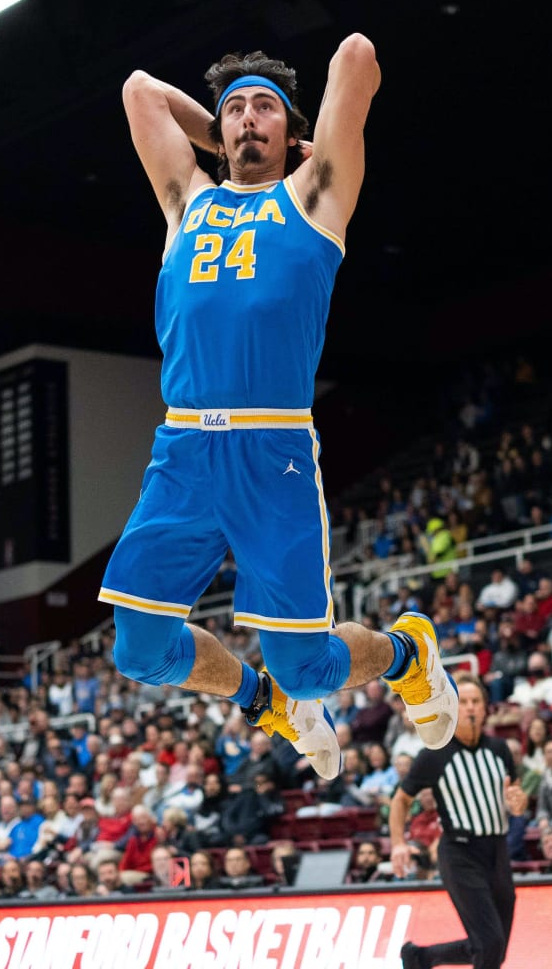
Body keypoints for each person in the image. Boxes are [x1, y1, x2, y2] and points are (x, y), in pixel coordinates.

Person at [97, 40, 457, 777]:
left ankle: (406, 652)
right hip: (186, 450)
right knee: (138, 647)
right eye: (234, 110)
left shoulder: (316, 197)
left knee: (310, 669)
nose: (244, 119)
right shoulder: (186, 200)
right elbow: (141, 89)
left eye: (262, 108)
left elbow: (357, 57)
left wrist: (291, 138)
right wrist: (228, 134)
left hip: (274, 451)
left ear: (292, 132)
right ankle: (260, 699)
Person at [390, 674, 529, 969]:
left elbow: (515, 795)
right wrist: (398, 843)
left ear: (485, 707)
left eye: (476, 701)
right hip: (460, 853)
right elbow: (400, 800)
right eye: (463, 702)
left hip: (498, 851)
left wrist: (519, 803)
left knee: (495, 946)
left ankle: (421, 958)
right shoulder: (434, 755)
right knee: (489, 944)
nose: (470, 708)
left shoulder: (500, 749)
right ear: (452, 708)